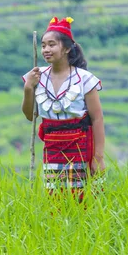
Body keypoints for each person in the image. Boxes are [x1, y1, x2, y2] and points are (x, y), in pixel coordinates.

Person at [22, 17, 105, 198]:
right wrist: (28, 87)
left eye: (52, 45)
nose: (46, 50)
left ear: (67, 48)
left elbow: (97, 118)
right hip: (52, 148)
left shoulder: (84, 79)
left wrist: (98, 158)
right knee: (56, 199)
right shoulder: (36, 77)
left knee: (85, 199)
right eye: (43, 45)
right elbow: (30, 116)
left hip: (81, 146)